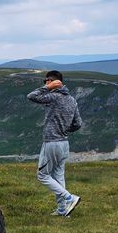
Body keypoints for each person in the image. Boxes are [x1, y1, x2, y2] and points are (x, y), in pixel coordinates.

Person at [27, 70, 83, 217]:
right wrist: (64, 129)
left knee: (42, 176)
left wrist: (48, 88)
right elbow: (78, 124)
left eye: (48, 81)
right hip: (64, 143)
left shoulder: (53, 97)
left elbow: (31, 96)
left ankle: (71, 198)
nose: (46, 83)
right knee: (58, 176)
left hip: (51, 142)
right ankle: (63, 210)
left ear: (55, 82)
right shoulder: (72, 100)